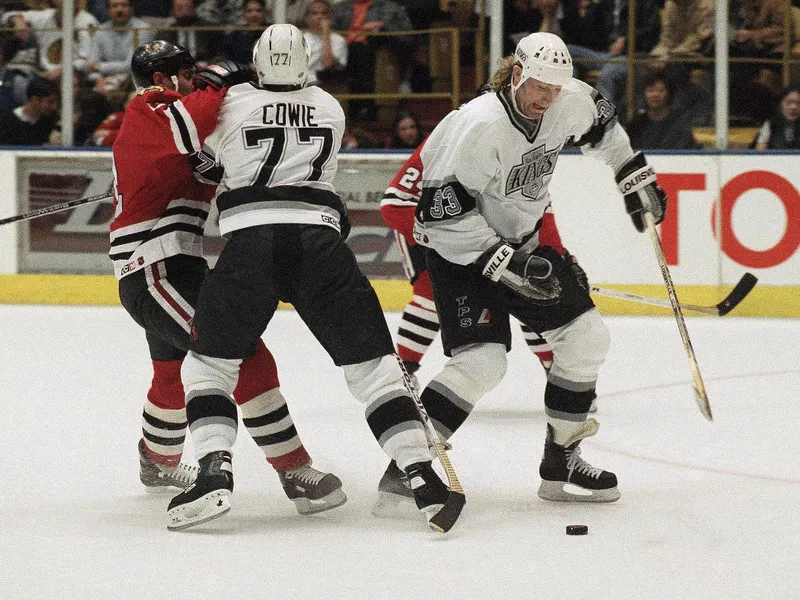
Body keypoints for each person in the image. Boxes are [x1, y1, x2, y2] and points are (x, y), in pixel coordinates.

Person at [166, 24, 461, 533]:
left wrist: (218, 84)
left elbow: (200, 156)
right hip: (319, 244)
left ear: (257, 62)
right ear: (306, 65)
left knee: (209, 368)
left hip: (251, 244)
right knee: (376, 371)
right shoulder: (329, 105)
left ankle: (214, 472)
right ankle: (421, 478)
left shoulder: (232, 102)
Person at [375, 32, 668, 509]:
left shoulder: (568, 100)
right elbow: (437, 216)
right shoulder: (478, 125)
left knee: (587, 339)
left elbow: (604, 129)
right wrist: (500, 259)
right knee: (482, 362)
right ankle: (409, 469)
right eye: (538, 88)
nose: (546, 99)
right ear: (516, 75)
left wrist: (632, 173)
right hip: (460, 254)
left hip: (524, 244)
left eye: (556, 89)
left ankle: (562, 462)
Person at [110, 40, 346, 519]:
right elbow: (188, 122)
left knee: (173, 371)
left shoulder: (181, 124)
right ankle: (293, 468)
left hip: (179, 264)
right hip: (154, 267)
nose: (199, 83)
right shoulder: (150, 108)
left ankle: (156, 459)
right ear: (162, 80)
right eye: (189, 75)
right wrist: (220, 81)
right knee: (239, 352)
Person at [3, 0, 99, 80]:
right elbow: (5, 16)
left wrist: (61, 71)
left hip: (72, 76)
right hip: (42, 75)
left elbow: (87, 59)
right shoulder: (45, 16)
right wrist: (17, 20)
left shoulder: (88, 22)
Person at [625, 70, 699, 150]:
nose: (655, 95)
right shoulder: (635, 125)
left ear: (669, 94)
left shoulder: (680, 122)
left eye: (660, 91)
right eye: (650, 90)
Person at [86, 0, 156, 84]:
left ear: (132, 9)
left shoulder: (143, 29)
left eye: (124, 5)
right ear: (108, 10)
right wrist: (98, 80)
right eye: (115, 6)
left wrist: (99, 67)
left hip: (134, 80)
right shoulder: (100, 31)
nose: (119, 10)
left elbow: (132, 65)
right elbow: (90, 65)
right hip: (105, 80)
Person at [156, 0, 222, 66]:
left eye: (188, 8)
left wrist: (209, 63)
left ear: (194, 9)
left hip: (204, 68)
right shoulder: (165, 34)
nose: (185, 13)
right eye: (179, 8)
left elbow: (219, 54)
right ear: (172, 11)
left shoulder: (209, 30)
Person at [0, 76, 59, 145]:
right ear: (35, 100)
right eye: (50, 101)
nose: (54, 107)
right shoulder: (5, 123)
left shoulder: (51, 121)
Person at [303, 0, 347, 88]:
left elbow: (327, 64)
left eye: (324, 13)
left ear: (329, 17)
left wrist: (325, 33)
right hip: (302, 84)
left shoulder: (338, 40)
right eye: (315, 13)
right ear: (307, 18)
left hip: (327, 84)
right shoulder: (300, 39)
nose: (319, 17)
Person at [221, 0, 270, 64]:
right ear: (243, 14)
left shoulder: (272, 32)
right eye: (249, 11)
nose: (254, 15)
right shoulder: (235, 35)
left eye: (258, 10)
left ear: (264, 13)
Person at [754, 84, 800, 149]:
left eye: (798, 103)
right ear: (782, 103)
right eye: (789, 102)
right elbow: (760, 151)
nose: (793, 107)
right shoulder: (770, 124)